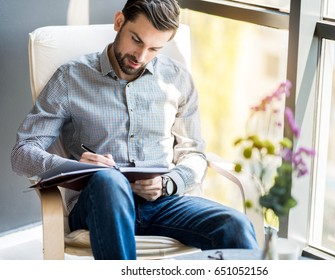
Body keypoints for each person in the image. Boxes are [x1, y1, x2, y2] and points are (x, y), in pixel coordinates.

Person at [11, 0, 259, 260]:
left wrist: (167, 183)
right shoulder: (71, 77)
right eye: (136, 40)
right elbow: (21, 153)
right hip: (99, 203)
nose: (141, 56)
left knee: (236, 226)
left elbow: (195, 154)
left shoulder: (177, 79)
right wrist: (73, 167)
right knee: (110, 180)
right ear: (119, 22)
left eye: (154, 49)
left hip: (163, 203)